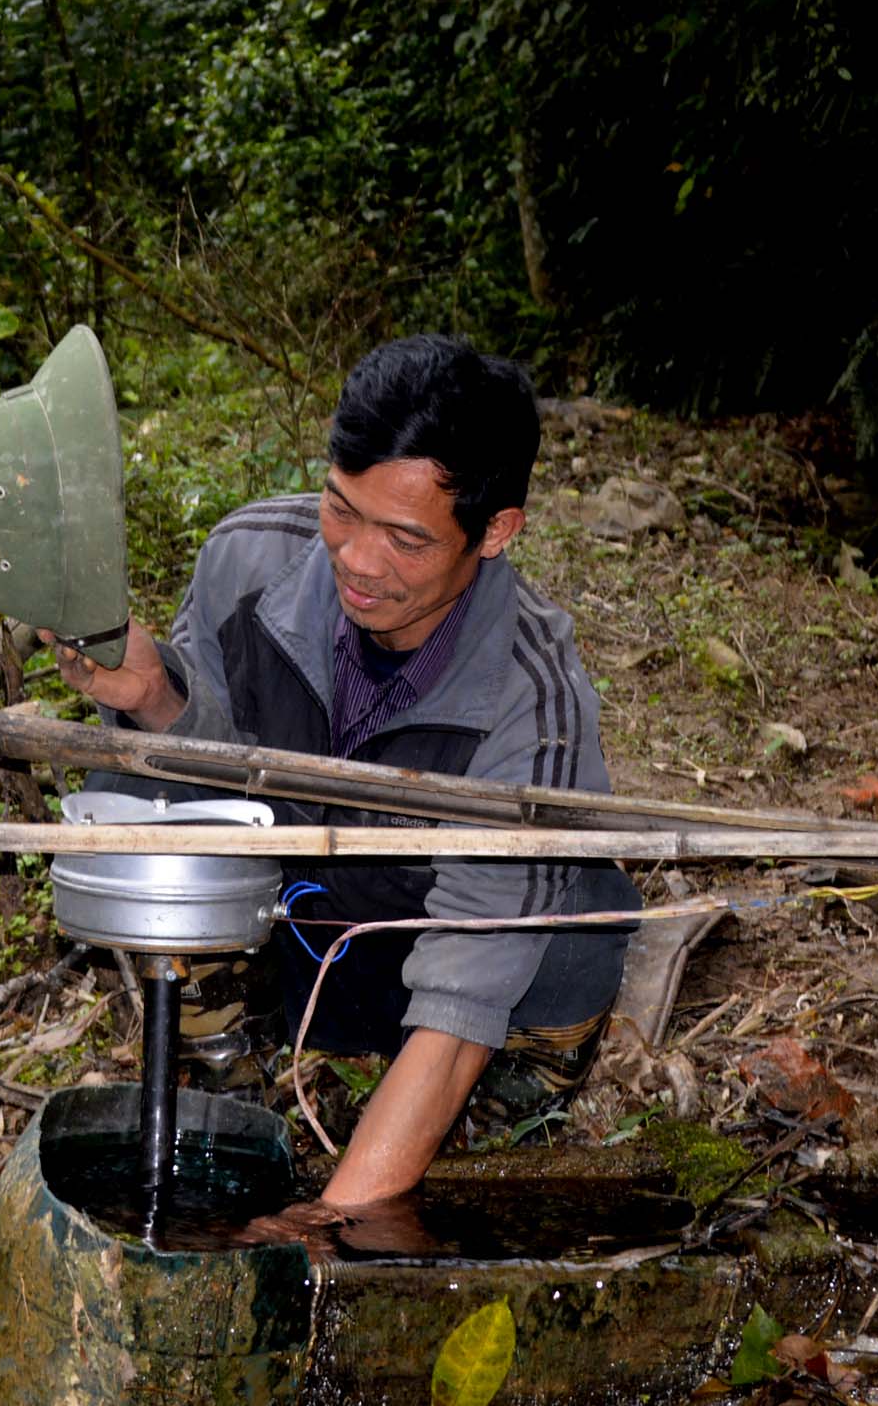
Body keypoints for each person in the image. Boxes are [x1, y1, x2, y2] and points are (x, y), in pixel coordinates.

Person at [42, 334, 638, 1235]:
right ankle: (236, 1092)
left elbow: (461, 1006)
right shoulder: (249, 559)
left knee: (578, 919)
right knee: (153, 807)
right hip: (284, 936)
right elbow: (217, 767)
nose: (358, 560)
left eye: (404, 539)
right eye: (341, 509)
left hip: (436, 977)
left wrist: (328, 1227)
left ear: (497, 531)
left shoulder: (533, 701)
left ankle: (485, 1133)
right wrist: (157, 697)